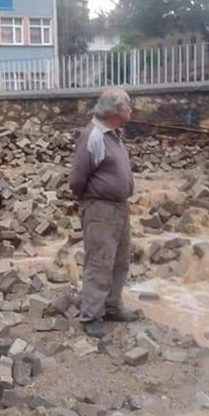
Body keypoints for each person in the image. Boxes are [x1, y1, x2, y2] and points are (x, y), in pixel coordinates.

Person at [69, 87, 141, 338]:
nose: (131, 110)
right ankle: (91, 315)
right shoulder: (94, 136)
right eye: (128, 106)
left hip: (119, 207)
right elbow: (78, 176)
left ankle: (111, 306)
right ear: (116, 110)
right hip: (100, 208)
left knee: (119, 261)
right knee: (99, 261)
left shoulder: (113, 134)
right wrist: (84, 197)